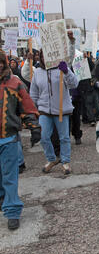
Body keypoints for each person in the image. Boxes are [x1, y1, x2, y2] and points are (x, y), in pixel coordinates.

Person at [0, 50, 41, 230]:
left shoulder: (15, 83)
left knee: (10, 176)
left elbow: (27, 106)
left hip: (8, 138)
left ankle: (12, 210)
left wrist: (33, 126)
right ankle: (3, 198)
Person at [30, 51, 78, 175]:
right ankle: (52, 159)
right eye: (42, 56)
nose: (45, 58)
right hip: (44, 110)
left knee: (64, 138)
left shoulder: (62, 68)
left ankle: (66, 162)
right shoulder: (37, 72)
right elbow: (34, 92)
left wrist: (66, 72)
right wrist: (32, 110)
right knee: (44, 136)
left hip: (61, 109)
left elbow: (74, 84)